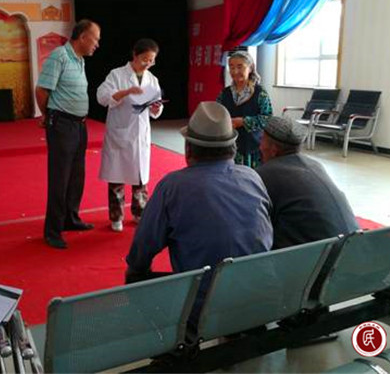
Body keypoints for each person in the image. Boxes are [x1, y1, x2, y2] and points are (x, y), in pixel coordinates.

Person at [125, 102, 272, 332]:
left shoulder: (173, 186)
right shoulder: (252, 177)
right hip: (260, 299)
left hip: (202, 308)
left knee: (135, 275)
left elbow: (142, 248)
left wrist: (136, 269)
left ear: (189, 149)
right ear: (232, 147)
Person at [35, 19, 101, 249]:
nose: (97, 44)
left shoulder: (79, 59)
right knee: (60, 178)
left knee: (76, 175)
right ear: (82, 37)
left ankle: (70, 218)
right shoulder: (60, 56)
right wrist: (48, 116)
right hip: (62, 124)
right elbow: (41, 90)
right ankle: (53, 230)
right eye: (95, 39)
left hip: (79, 125)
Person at [257, 117, 359, 249]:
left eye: (262, 140)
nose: (259, 146)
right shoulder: (315, 165)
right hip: (354, 246)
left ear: (274, 149)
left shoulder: (265, 175)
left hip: (316, 256)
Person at [97, 38, 163, 233]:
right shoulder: (117, 74)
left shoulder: (152, 79)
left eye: (151, 60)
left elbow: (156, 106)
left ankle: (140, 212)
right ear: (135, 55)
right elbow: (102, 97)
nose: (148, 64)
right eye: (144, 59)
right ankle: (116, 216)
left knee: (140, 177)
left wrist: (156, 107)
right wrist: (126, 92)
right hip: (121, 132)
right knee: (117, 176)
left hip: (141, 133)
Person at [217, 51, 272, 168]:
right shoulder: (224, 93)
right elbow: (216, 114)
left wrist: (244, 122)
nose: (235, 71)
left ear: (250, 68)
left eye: (239, 67)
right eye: (231, 67)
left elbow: (268, 119)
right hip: (228, 146)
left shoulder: (260, 93)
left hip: (252, 148)